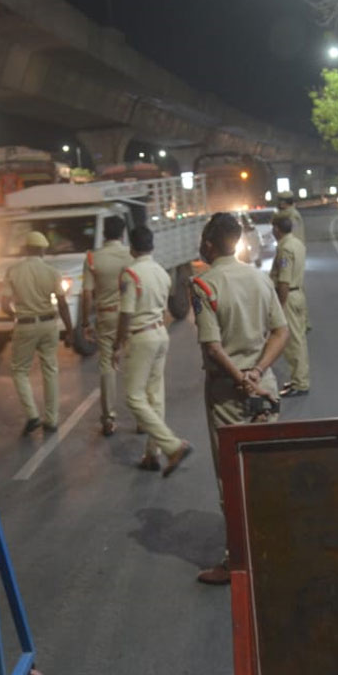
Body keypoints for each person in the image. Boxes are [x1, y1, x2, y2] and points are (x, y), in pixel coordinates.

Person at [192, 213, 289, 584]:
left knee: (231, 478)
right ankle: (272, 550)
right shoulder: (259, 278)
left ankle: (239, 561)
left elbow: (213, 346)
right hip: (264, 386)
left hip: (228, 393)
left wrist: (241, 381)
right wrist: (258, 372)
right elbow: (281, 332)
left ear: (208, 244)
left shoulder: (204, 285)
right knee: (263, 471)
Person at [113, 226, 192, 475]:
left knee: (134, 397)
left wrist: (117, 343)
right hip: (160, 332)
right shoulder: (162, 272)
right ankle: (152, 454)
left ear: (132, 248)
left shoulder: (131, 274)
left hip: (141, 337)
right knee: (155, 395)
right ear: (152, 246)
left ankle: (172, 445)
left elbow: (126, 312)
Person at [2, 231, 74, 435]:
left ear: (26, 249)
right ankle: (51, 419)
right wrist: (69, 331)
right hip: (49, 324)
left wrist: (17, 315)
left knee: (19, 370)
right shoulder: (52, 272)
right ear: (43, 250)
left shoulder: (13, 271)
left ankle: (33, 415)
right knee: (50, 370)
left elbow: (4, 304)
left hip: (25, 325)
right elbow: (62, 303)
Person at [80, 216, 133, 436]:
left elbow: (87, 294)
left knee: (106, 365)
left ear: (104, 234)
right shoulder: (132, 256)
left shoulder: (93, 258)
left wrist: (85, 323)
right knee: (132, 365)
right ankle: (141, 417)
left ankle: (108, 418)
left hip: (106, 317)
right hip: (130, 316)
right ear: (122, 234)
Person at [270, 215, 309, 397]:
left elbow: (283, 281)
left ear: (277, 229)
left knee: (293, 343)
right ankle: (298, 379)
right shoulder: (297, 243)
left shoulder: (285, 249)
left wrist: (279, 305)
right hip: (298, 294)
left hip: (289, 296)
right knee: (298, 339)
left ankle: (300, 383)